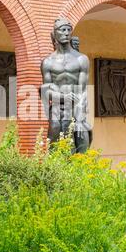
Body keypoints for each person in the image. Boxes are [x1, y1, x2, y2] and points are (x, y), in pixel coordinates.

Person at [41, 18, 92, 153]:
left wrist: (80, 118)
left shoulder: (81, 59)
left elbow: (82, 90)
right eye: (62, 30)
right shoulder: (48, 62)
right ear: (55, 34)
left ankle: (81, 168)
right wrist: (63, 97)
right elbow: (46, 91)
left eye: (69, 30)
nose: (66, 33)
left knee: (81, 136)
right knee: (55, 132)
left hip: (76, 104)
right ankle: (54, 169)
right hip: (57, 106)